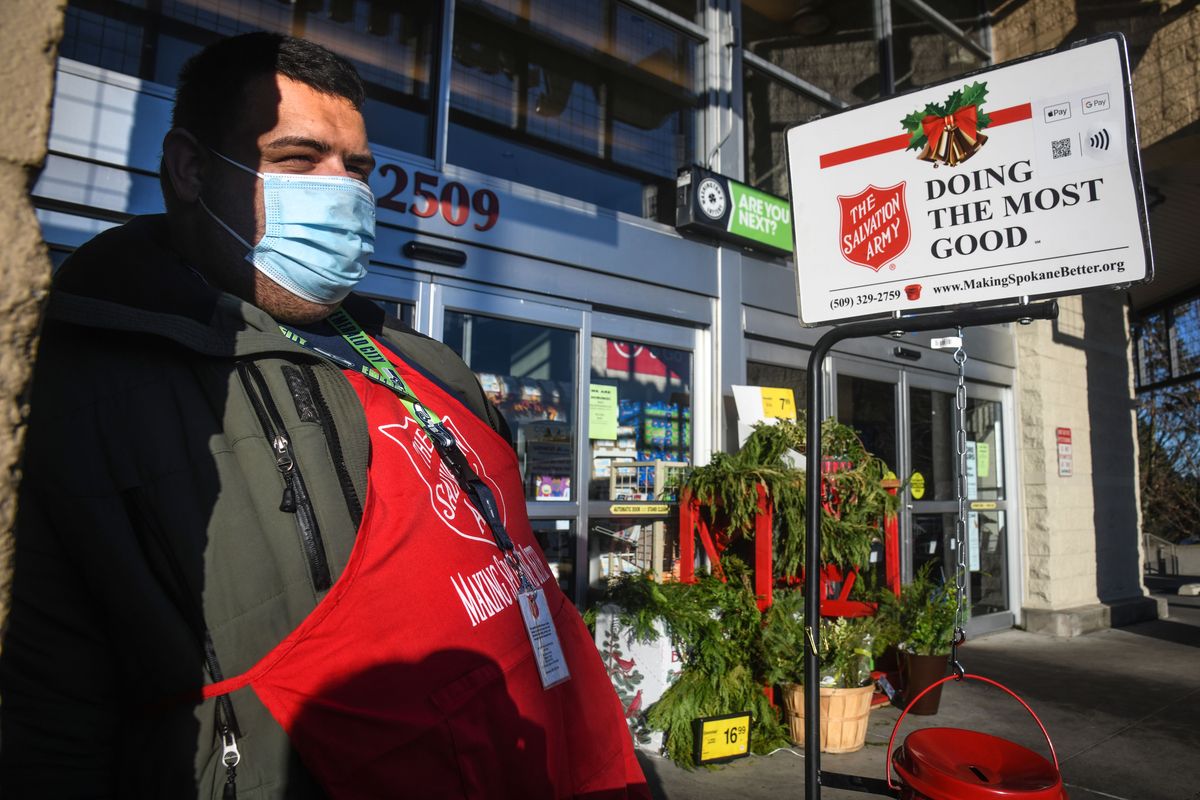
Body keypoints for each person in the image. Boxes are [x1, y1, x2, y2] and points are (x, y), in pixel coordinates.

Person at [0, 32, 649, 799]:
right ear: (191, 168)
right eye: (301, 160)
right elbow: (49, 708)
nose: (344, 192)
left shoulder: (426, 362)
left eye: (359, 169)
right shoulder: (91, 378)